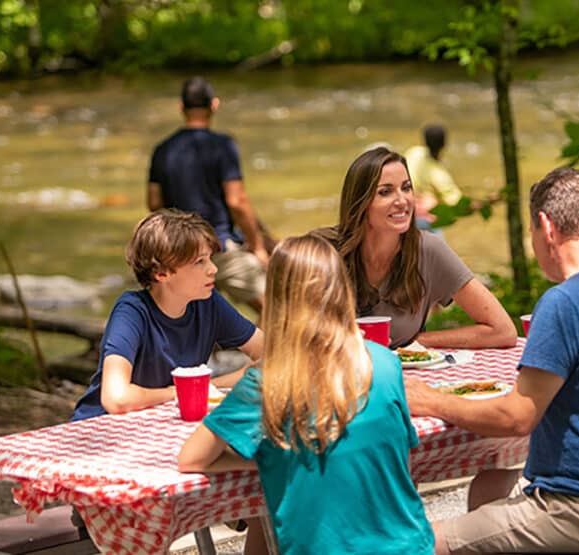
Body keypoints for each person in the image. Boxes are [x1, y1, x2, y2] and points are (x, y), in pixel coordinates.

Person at [405, 167, 579, 554]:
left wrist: (431, 401)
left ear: (546, 226)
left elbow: (516, 419)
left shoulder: (563, 302)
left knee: (409, 543)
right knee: (491, 492)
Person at [178, 234, 434, 555]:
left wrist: (266, 459)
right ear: (342, 290)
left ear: (277, 299)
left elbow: (192, 459)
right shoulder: (385, 362)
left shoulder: (266, 381)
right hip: (411, 546)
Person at [71, 209, 263, 421]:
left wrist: (205, 389)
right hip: (101, 428)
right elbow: (116, 399)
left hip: (165, 423)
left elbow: (273, 355)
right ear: (161, 273)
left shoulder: (208, 302)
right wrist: (196, 390)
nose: (213, 269)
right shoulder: (132, 312)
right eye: (199, 262)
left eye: (210, 258)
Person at [316, 146, 515, 349]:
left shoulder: (428, 250)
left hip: (403, 378)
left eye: (406, 188)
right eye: (385, 192)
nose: (402, 201)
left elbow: (502, 331)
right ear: (360, 202)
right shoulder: (320, 251)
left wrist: (414, 343)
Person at [147, 76, 268, 314]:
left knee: (193, 319)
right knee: (273, 309)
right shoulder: (223, 145)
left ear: (181, 108)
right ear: (214, 105)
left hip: (180, 252)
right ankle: (262, 351)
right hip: (221, 246)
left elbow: (154, 203)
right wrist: (258, 246)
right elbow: (237, 201)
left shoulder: (163, 150)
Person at [404, 124, 464, 230]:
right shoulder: (439, 174)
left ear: (425, 141)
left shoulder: (414, 152)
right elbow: (457, 203)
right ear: (444, 144)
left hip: (406, 211)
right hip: (423, 219)